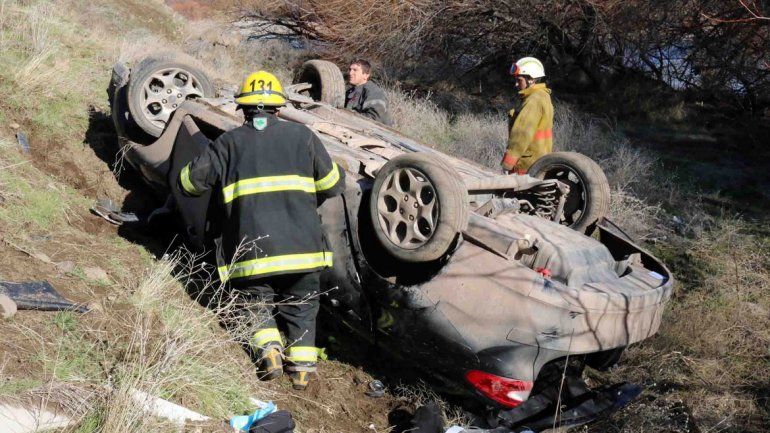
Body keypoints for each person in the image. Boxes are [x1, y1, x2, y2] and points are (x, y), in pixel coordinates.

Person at [178, 70, 345, 390]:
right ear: (278, 108)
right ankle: (302, 371)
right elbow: (333, 185)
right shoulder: (304, 137)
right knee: (302, 305)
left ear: (244, 108)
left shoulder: (227, 143)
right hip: (303, 248)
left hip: (252, 250)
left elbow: (189, 184)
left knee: (255, 301)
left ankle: (269, 351)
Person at [501, 57, 554, 175]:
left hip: (527, 166)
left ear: (531, 80)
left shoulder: (533, 100)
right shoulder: (543, 96)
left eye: (519, 80)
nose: (516, 84)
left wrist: (508, 164)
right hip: (540, 162)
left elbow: (521, 135)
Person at [345, 59, 393, 125]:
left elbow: (374, 118)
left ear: (366, 75)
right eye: (350, 70)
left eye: (355, 70)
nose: (350, 73)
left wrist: (348, 117)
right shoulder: (349, 92)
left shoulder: (374, 92)